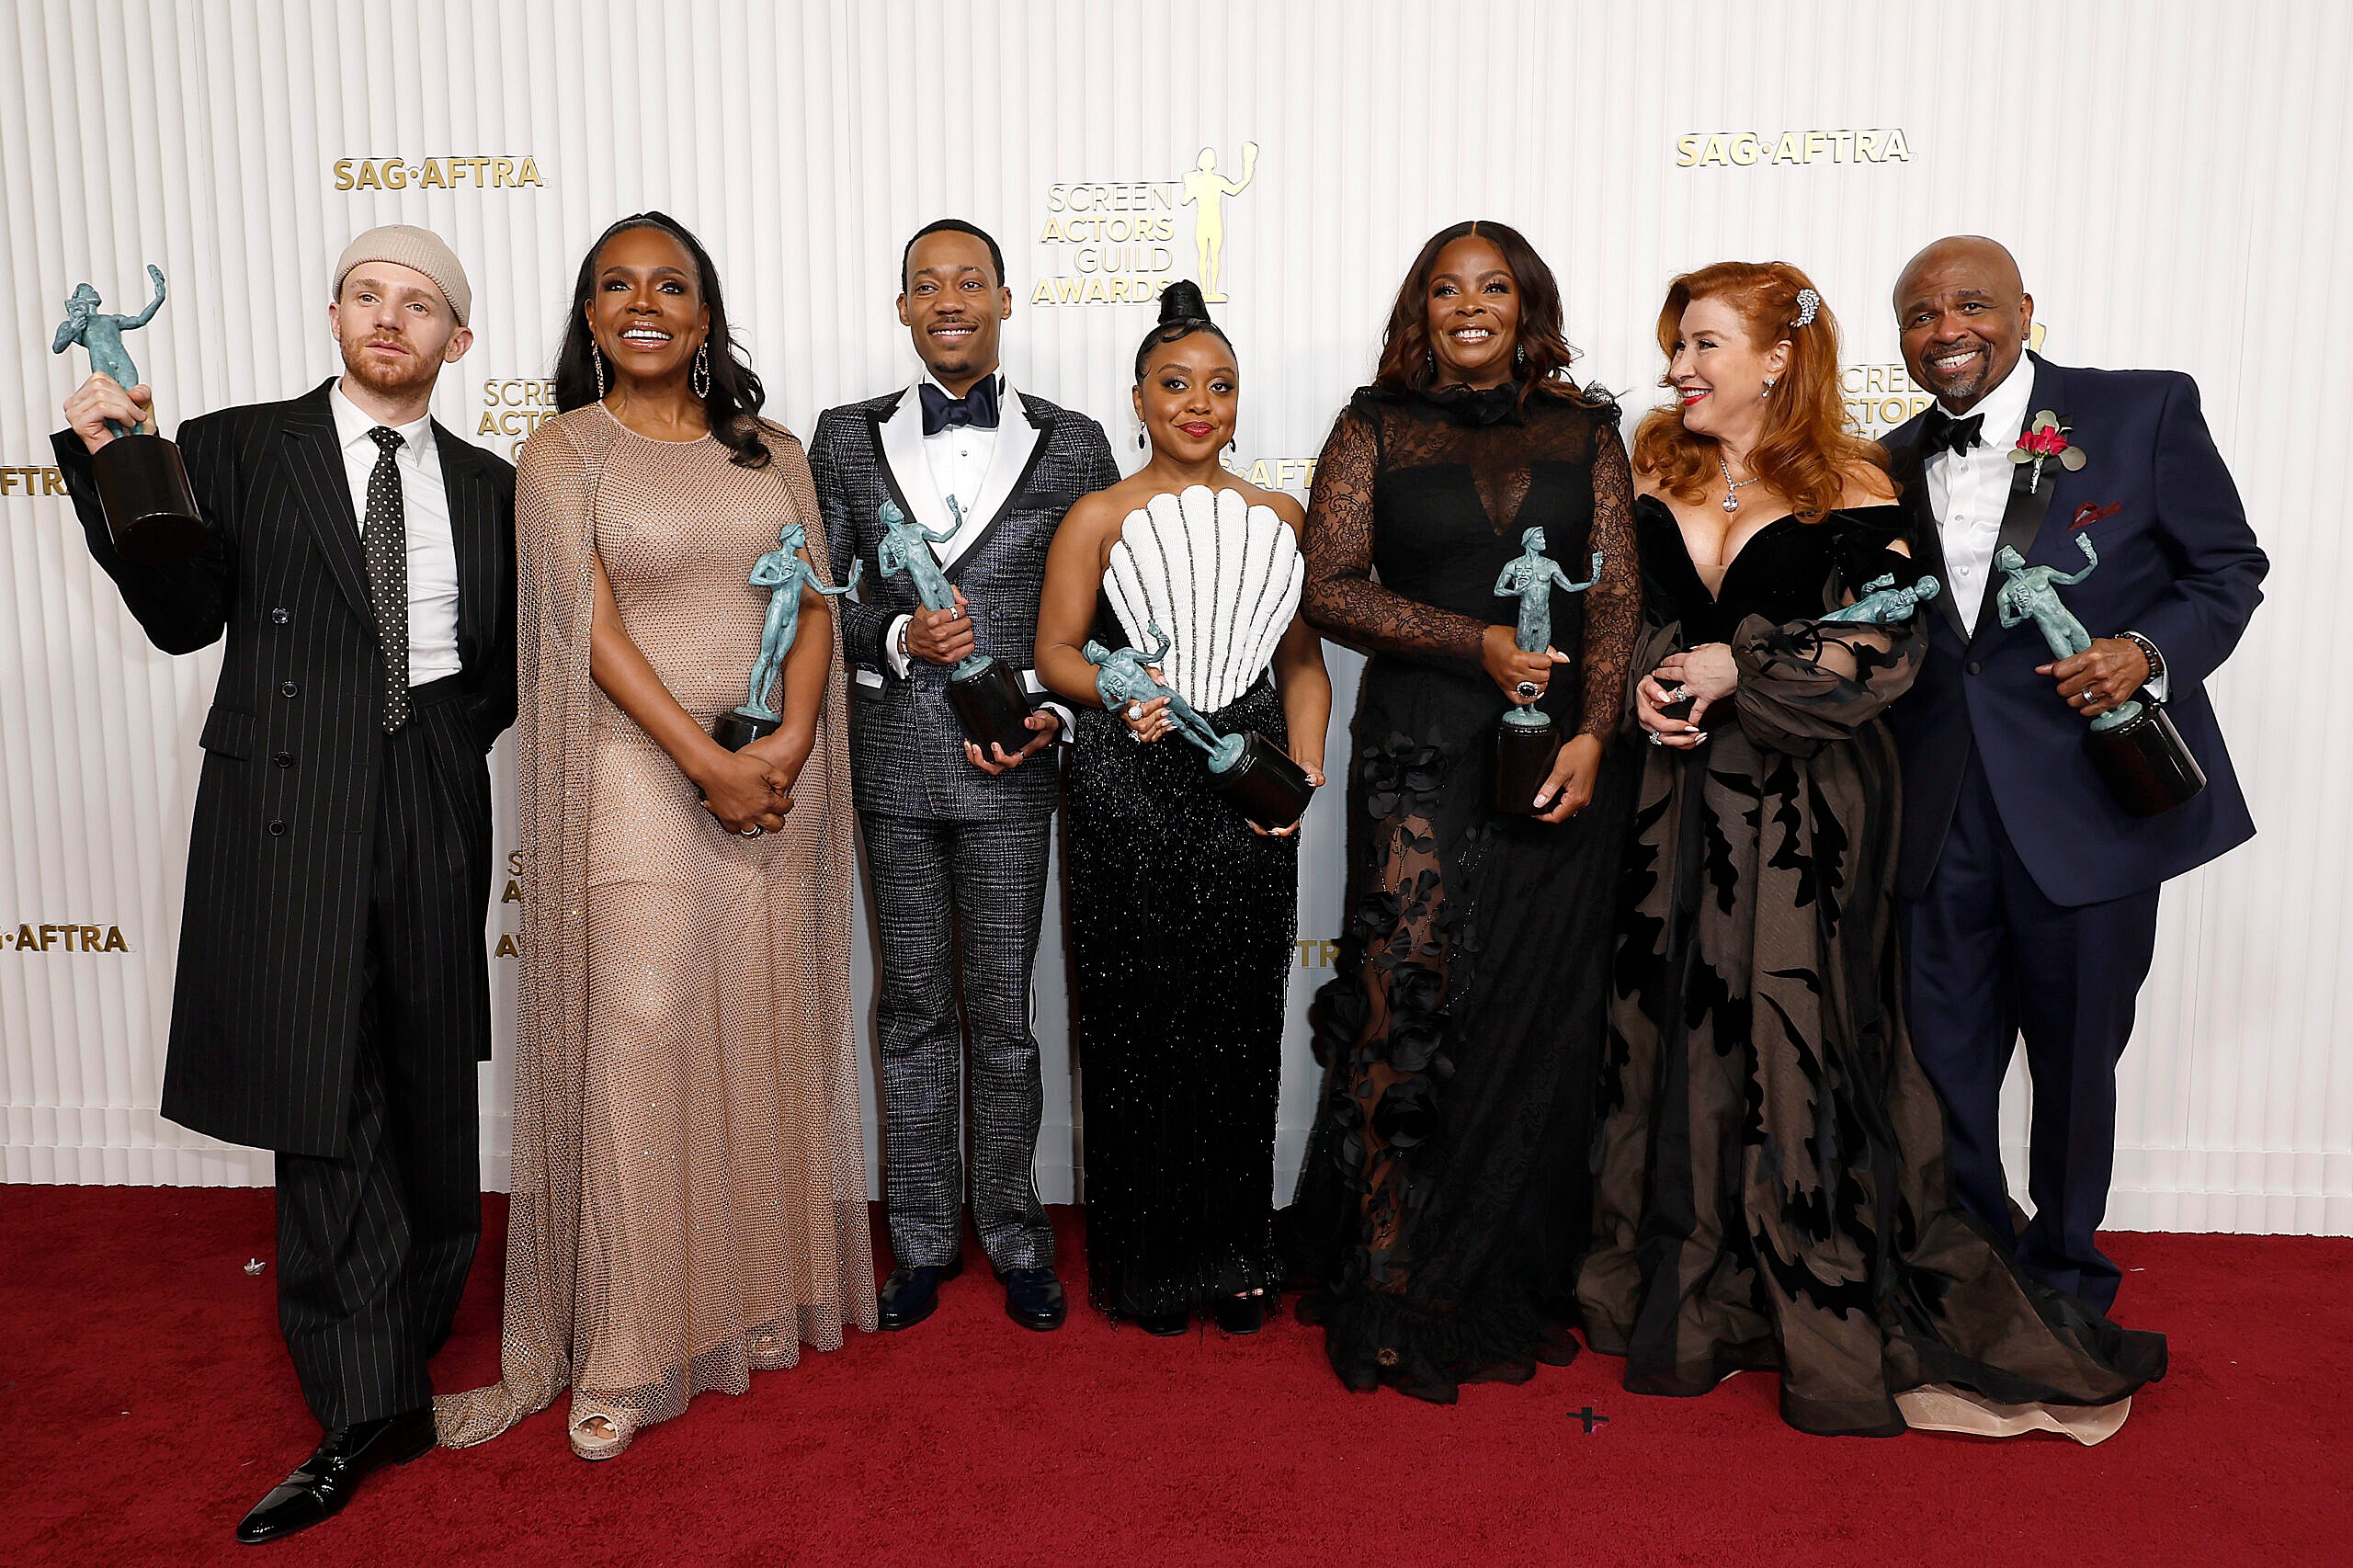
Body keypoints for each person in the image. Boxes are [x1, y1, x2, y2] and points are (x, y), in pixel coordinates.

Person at [1577, 261, 2166, 1439]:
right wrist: (1641, 679)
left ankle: (1811, 1268)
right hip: (1669, 801)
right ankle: (1695, 1277)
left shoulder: (1853, 477)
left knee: (1790, 1029)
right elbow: (1622, 614)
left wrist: (1745, 666)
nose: (1677, 367)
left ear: (1774, 356)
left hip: (1800, 806)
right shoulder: (1647, 463)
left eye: (1701, 344)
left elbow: (1883, 647)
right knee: (1673, 1031)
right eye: (1675, 345)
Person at [51, 226, 514, 1542]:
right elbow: (183, 618)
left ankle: (413, 1309)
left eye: (418, 303)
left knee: (430, 1069)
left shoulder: (494, 483)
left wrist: (434, 746)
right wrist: (119, 460)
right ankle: (367, 1399)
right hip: (289, 795)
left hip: (432, 778)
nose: (389, 317)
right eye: (367, 294)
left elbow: (498, 669)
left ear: (457, 339)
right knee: (324, 1082)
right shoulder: (237, 444)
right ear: (333, 313)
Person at [435, 213, 872, 1460]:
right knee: (641, 1025)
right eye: (617, 284)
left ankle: (742, 1301)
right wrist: (707, 762)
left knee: (757, 1016)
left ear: (704, 315)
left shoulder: (772, 450)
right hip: (637, 761)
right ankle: (625, 1344)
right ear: (588, 314)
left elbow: (815, 602)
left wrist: (788, 744)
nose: (643, 303)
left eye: (669, 285)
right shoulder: (563, 451)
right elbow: (586, 625)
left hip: (773, 768)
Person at [1276, 221, 1640, 1401]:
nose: (1469, 306)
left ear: (1526, 304)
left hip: (1555, 751)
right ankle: (1388, 1276)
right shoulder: (1372, 426)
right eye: (1446, 288)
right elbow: (1330, 589)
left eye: (1492, 287)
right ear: (1420, 309)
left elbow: (1614, 598)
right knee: (1403, 999)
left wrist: (1596, 731)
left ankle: (1498, 1265)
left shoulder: (1588, 430)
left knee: (1531, 1005)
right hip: (1420, 745)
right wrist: (1470, 639)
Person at [1883, 236, 2266, 1312]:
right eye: (1918, 314)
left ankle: (2065, 1277)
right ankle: (1968, 1273)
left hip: (2090, 801)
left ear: (2023, 309)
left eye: (1970, 304)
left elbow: (2226, 569)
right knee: (1940, 1059)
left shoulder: (2141, 410)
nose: (1946, 329)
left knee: (2075, 1055)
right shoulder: (1882, 459)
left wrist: (2144, 651)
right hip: (1935, 808)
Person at [812, 220, 1119, 1334]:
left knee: (1002, 1010)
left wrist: (1050, 711)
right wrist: (896, 635)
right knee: (909, 1007)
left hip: (1014, 765)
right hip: (894, 762)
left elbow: (1103, 609)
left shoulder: (1075, 443)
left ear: (1003, 299)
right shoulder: (842, 437)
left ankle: (1017, 1231)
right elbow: (819, 597)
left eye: (969, 281)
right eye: (926, 284)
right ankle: (923, 1239)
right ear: (902, 306)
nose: (949, 299)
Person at [1035, 281, 1331, 1335]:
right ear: (1138, 399)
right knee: (1138, 1022)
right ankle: (1154, 1261)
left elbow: (1303, 665)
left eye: (1220, 385)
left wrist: (1300, 772)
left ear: (1238, 402)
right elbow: (1054, 653)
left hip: (1244, 778)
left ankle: (1235, 1252)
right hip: (1129, 776)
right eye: (1175, 384)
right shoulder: (1098, 515)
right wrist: (1118, 690)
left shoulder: (1281, 517)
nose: (1199, 403)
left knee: (1239, 1020)